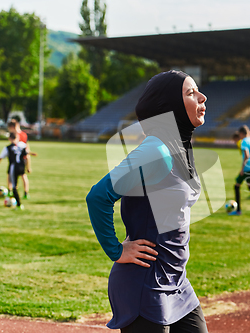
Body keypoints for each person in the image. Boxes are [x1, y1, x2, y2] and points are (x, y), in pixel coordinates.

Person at [86, 70, 209, 333]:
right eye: (190, 93)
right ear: (171, 107)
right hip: (145, 283)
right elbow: (98, 196)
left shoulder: (179, 147)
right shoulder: (157, 151)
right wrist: (116, 250)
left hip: (176, 281)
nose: (202, 97)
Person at [0, 132, 30, 210]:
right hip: (21, 166)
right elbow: (27, 156)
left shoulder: (8, 147)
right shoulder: (23, 145)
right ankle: (26, 193)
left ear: (9, 138)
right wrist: (28, 167)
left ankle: (19, 205)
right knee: (23, 177)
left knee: (14, 186)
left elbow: (1, 157)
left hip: (14, 167)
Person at [7, 120, 35, 199]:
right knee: (23, 176)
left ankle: (10, 191)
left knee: (10, 175)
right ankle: (26, 192)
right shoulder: (24, 134)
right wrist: (28, 165)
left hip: (16, 160)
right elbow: (27, 148)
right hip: (24, 159)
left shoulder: (15, 135)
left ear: (12, 127)